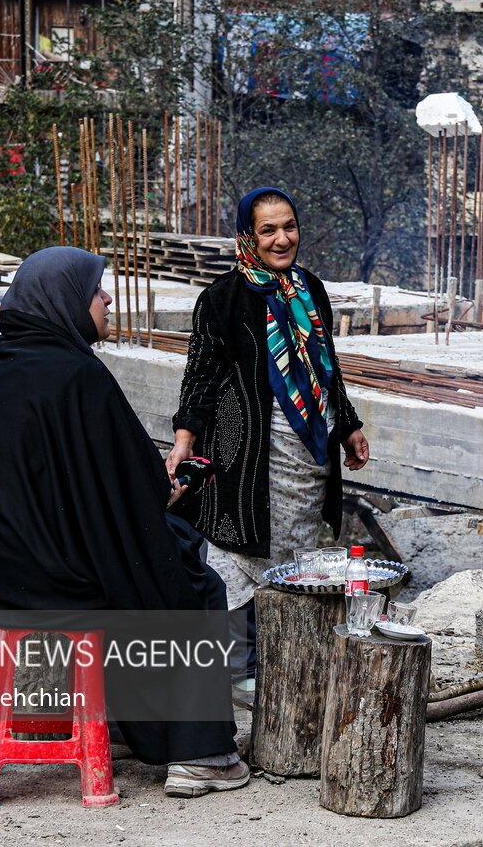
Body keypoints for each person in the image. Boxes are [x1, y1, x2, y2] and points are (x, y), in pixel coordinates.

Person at [0, 246, 250, 799]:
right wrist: (169, 488)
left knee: (151, 552)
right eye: (96, 290)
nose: (107, 298)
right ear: (66, 301)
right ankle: (199, 755)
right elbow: (133, 489)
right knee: (189, 576)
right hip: (55, 578)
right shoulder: (77, 376)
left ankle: (118, 724)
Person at [166, 188, 369, 684]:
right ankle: (240, 673)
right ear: (247, 237)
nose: (282, 239)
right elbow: (202, 375)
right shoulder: (221, 298)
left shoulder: (310, 289)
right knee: (242, 555)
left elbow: (326, 368)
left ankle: (285, 671)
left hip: (309, 451)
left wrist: (347, 425)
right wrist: (184, 439)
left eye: (289, 227)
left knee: (296, 554)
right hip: (248, 456)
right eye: (268, 230)